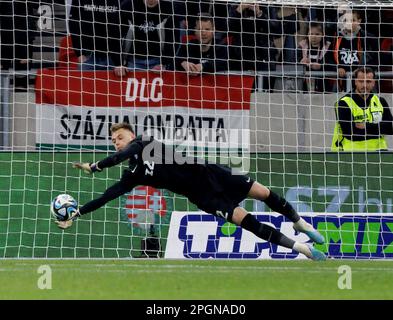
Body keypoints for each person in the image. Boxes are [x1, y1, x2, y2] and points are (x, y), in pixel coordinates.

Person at [56, 123, 327, 261]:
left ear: (131, 136)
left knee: (265, 193)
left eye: (120, 137)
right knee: (249, 223)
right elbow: (107, 196)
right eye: (114, 141)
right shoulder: (133, 174)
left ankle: (300, 223)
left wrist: (95, 166)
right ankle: (302, 249)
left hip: (211, 172)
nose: (117, 143)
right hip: (203, 196)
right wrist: (77, 213)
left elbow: (125, 153)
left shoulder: (144, 143)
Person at [331, 67, 393, 151]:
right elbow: (351, 134)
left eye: (368, 81)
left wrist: (365, 126)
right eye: (361, 81)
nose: (364, 85)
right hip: (352, 154)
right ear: (355, 82)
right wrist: (379, 128)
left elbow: (390, 128)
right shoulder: (343, 103)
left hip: (379, 153)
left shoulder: (380, 101)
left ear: (373, 83)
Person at [297, 22, 333, 92]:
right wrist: (301, 61)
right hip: (304, 83)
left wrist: (321, 66)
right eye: (311, 34)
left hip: (322, 83)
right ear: (307, 34)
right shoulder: (301, 46)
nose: (314, 36)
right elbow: (294, 61)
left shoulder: (327, 47)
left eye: (317, 34)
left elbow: (331, 63)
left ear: (323, 35)